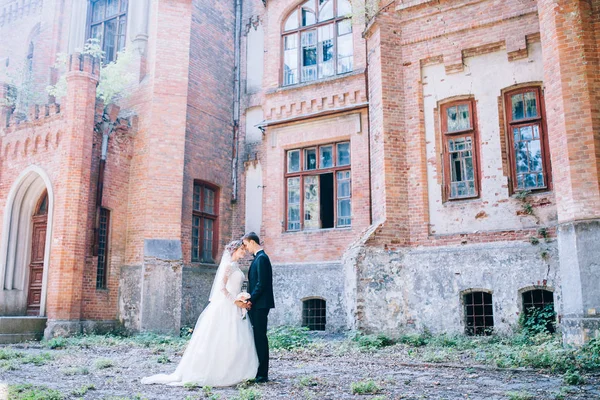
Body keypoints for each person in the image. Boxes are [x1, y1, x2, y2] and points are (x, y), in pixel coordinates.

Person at [140, 240, 258, 387]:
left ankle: (236, 371)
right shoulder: (228, 266)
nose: (244, 251)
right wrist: (236, 301)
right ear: (234, 250)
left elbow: (233, 287)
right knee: (221, 339)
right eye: (241, 249)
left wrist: (242, 297)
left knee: (236, 339)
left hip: (235, 306)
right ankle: (218, 372)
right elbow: (222, 288)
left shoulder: (236, 266)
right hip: (226, 306)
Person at [241, 232, 275, 383]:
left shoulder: (262, 259)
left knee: (260, 337)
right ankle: (258, 370)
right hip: (258, 304)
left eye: (246, 245)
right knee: (257, 337)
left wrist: (250, 299)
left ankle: (262, 374)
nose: (246, 248)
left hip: (260, 305)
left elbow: (261, 284)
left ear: (252, 242)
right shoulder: (259, 258)